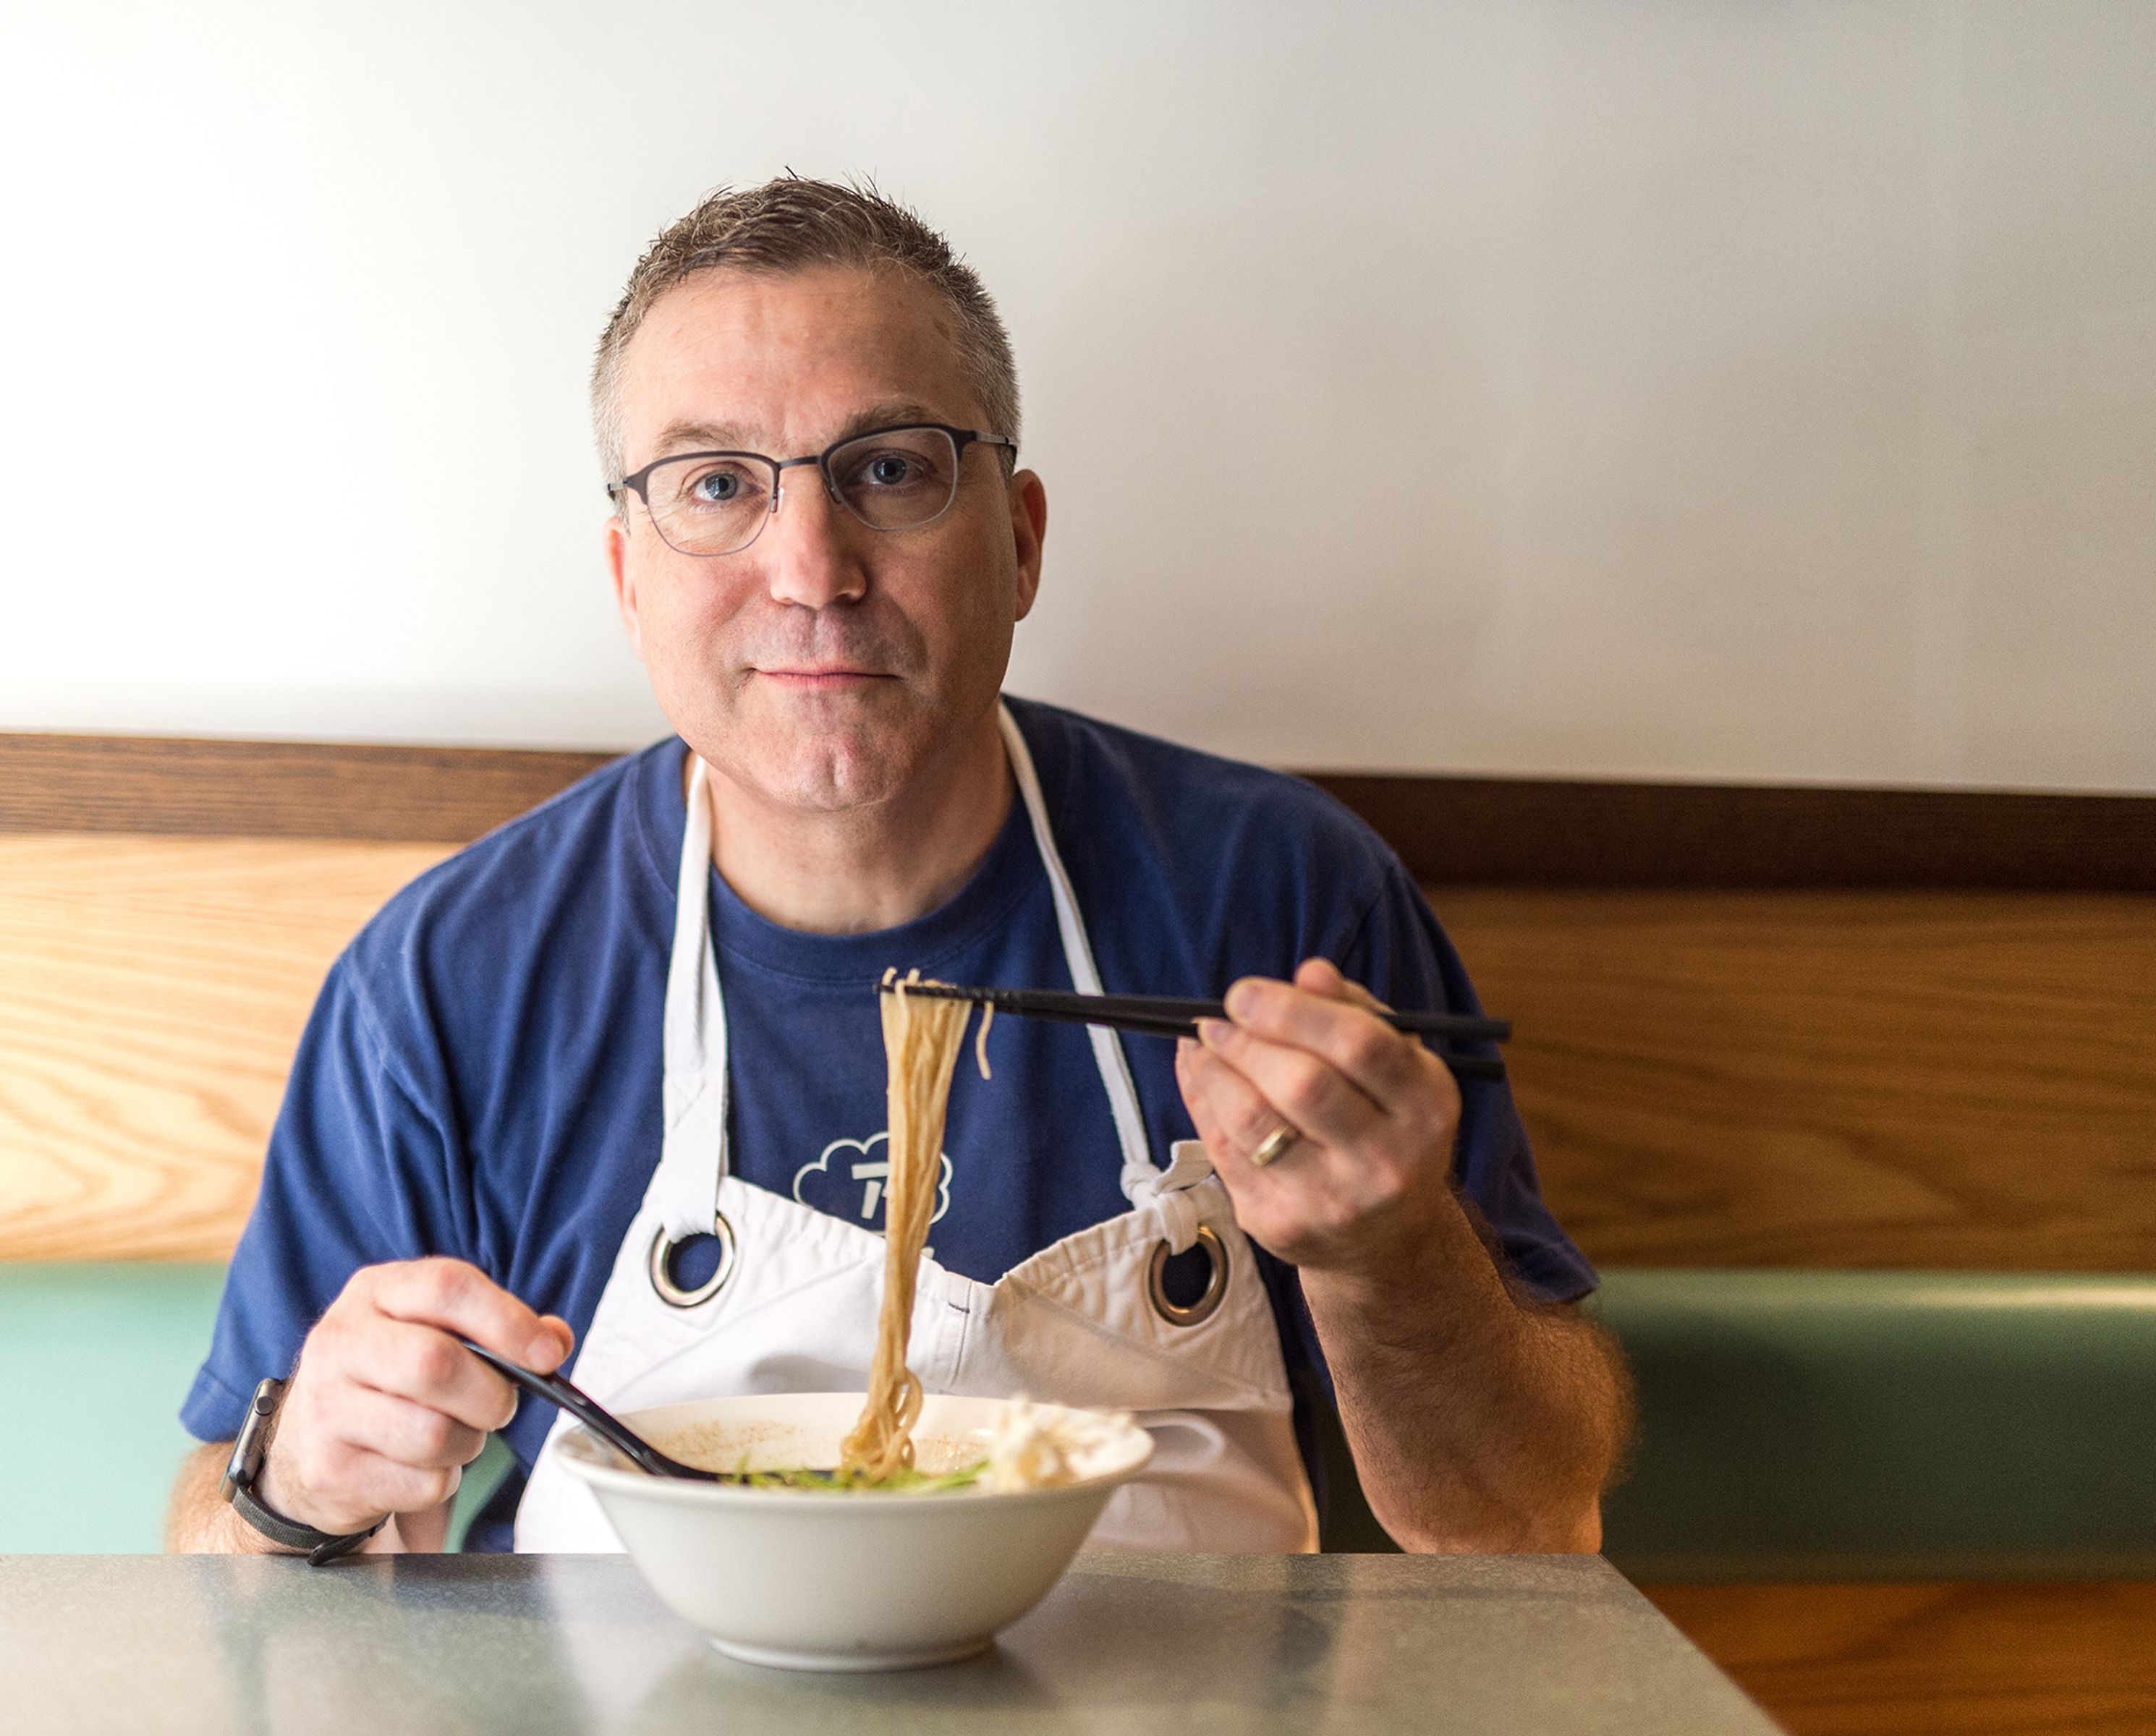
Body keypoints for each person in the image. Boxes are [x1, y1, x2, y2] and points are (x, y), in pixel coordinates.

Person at [166, 178, 1631, 1559]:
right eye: (716, 484)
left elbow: (1526, 1523)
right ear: (628, 580)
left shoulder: (1281, 898)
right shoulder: (453, 979)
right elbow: (211, 1559)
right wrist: (297, 1482)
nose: (811, 567)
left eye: (888, 470)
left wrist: (1389, 1261)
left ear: (1019, 539)